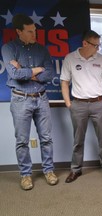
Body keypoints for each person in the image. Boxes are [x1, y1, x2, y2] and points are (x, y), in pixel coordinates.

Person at [1, 14, 58, 190]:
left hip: (41, 99)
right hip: (20, 100)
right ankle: (26, 175)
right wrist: (37, 70)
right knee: (22, 141)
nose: (35, 34)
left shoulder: (42, 50)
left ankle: (49, 171)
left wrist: (26, 71)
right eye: (30, 31)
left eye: (35, 30)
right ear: (19, 31)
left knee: (46, 138)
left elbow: (49, 75)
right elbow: (15, 75)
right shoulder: (8, 48)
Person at [60, 30, 102, 183]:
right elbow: (64, 82)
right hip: (78, 104)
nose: (98, 48)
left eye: (99, 45)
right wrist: (68, 103)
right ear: (85, 43)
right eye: (95, 45)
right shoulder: (70, 58)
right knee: (78, 139)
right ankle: (75, 169)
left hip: (98, 104)